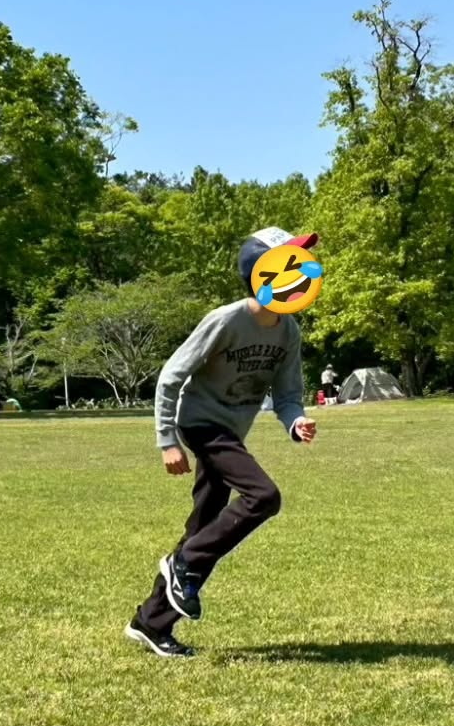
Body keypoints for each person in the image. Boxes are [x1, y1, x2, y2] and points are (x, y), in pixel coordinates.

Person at [126, 228, 321, 659]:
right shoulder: (226, 320)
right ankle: (182, 565)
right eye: (290, 264)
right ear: (259, 272)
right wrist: (167, 441)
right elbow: (171, 377)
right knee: (263, 496)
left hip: (230, 432)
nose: (301, 273)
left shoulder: (288, 331)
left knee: (205, 529)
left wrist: (296, 422)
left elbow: (287, 396)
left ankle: (151, 621)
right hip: (201, 425)